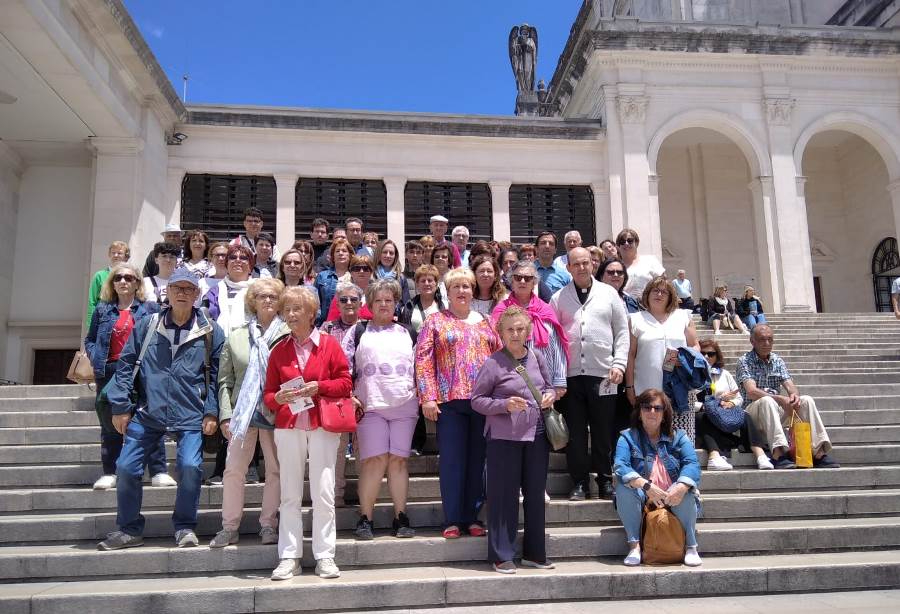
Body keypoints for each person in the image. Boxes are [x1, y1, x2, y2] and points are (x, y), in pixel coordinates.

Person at [98, 268, 224, 551]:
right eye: (177, 288)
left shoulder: (211, 330)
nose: (182, 293)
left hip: (191, 412)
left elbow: (217, 375)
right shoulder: (147, 324)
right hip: (148, 411)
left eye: (188, 289)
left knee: (191, 467)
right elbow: (126, 366)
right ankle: (129, 529)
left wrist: (212, 411)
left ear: (197, 294)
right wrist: (120, 407)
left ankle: (184, 527)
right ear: (167, 293)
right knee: (126, 467)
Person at [264, 286, 351, 580]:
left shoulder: (329, 344)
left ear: (312, 313)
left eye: (296, 309)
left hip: (323, 426)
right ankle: (289, 556)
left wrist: (319, 387)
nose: (290, 315)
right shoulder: (279, 350)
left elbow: (345, 383)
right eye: (286, 309)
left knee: (324, 492)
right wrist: (278, 399)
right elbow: (268, 395)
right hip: (288, 427)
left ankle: (325, 555)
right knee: (289, 493)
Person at [415, 267, 501, 538]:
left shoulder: (486, 321)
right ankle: (452, 518)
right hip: (450, 401)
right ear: (447, 292)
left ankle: (472, 517)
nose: (462, 291)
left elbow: (499, 358)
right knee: (453, 460)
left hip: (483, 402)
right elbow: (423, 360)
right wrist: (427, 396)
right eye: (456, 287)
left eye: (466, 286)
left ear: (473, 290)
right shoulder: (435, 321)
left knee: (478, 461)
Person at [472, 306, 557, 574]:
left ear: (528, 331)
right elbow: (477, 401)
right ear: (501, 333)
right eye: (510, 329)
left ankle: (535, 553)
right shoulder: (493, 363)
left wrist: (550, 395)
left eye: (520, 329)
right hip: (503, 438)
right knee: (503, 497)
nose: (516, 334)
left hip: (537, 435)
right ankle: (502, 555)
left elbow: (549, 386)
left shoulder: (537, 356)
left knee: (535, 495)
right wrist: (504, 405)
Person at [210, 278, 289, 548]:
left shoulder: (288, 334)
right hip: (242, 414)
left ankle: (268, 525)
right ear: (252, 302)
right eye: (262, 296)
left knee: (275, 471)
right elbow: (224, 380)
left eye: (273, 296)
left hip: (274, 412)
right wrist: (224, 414)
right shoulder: (237, 336)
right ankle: (229, 527)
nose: (267, 300)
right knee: (233, 469)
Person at [84, 263, 172, 490]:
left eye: (129, 278)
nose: (123, 281)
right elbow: (90, 339)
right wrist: (96, 358)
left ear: (137, 283)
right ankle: (110, 472)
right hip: (111, 370)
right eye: (118, 278)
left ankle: (158, 470)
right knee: (109, 419)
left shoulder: (150, 309)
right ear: (112, 283)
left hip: (141, 370)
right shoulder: (103, 310)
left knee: (151, 417)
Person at [343, 279, 418, 540]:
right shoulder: (358, 330)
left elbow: (421, 365)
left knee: (398, 461)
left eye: (389, 300)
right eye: (379, 300)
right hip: (369, 405)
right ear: (370, 305)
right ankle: (366, 518)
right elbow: (344, 365)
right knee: (373, 461)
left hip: (405, 403)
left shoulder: (408, 332)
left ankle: (401, 517)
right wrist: (348, 395)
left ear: (395, 303)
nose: (384, 304)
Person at [551, 247, 629, 500]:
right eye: (577, 264)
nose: (582, 267)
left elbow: (622, 332)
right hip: (571, 377)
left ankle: (605, 479)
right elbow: (552, 338)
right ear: (569, 267)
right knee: (574, 433)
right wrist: (556, 376)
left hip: (604, 375)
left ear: (592, 265)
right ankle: (580, 482)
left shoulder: (609, 294)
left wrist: (618, 364)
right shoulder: (558, 298)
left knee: (603, 431)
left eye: (586, 263)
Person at [613, 389, 702, 567]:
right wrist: (646, 486)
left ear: (664, 413)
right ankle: (634, 546)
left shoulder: (679, 437)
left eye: (657, 408)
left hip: (671, 495)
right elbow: (620, 466)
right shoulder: (627, 437)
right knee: (623, 487)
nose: (652, 412)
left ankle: (691, 546)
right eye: (646, 407)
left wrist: (682, 486)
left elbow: (692, 463)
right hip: (643, 496)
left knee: (685, 488)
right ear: (639, 413)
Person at [737, 325, 840, 470]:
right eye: (762, 340)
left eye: (770, 340)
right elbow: (751, 391)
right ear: (752, 341)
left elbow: (790, 385)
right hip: (752, 414)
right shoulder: (744, 361)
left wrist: (793, 396)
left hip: (773, 411)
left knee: (806, 400)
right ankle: (778, 453)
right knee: (767, 400)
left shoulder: (777, 360)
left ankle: (818, 452)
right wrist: (779, 398)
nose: (767, 344)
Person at [626, 276, 700, 439]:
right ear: (647, 293)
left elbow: (695, 346)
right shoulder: (635, 319)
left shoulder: (683, 316)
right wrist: (630, 387)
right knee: (649, 436)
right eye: (655, 290)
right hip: (647, 388)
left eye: (664, 292)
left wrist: (683, 360)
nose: (659, 294)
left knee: (680, 437)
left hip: (679, 388)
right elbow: (630, 355)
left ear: (671, 296)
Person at [491, 260, 568, 398]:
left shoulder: (545, 309)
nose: (522, 281)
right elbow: (495, 345)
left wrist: (560, 381)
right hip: (509, 380)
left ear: (534, 282)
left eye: (528, 278)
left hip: (545, 383)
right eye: (517, 277)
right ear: (511, 281)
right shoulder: (501, 310)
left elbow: (557, 347)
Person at [696, 339, 773, 471]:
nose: (707, 357)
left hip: (724, 411)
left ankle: (760, 455)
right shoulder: (691, 374)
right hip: (703, 413)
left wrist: (731, 402)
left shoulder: (724, 374)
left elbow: (738, 397)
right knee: (703, 416)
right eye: (703, 353)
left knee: (745, 416)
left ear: (717, 356)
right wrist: (705, 405)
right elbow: (686, 400)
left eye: (711, 354)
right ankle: (714, 456)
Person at [319, 281, 364, 506]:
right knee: (336, 449)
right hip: (336, 394)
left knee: (362, 447)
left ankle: (366, 496)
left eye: (353, 299)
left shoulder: (367, 327)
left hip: (363, 393)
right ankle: (335, 496)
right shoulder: (326, 329)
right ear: (336, 302)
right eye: (344, 299)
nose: (348, 303)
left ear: (360, 303)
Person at [204, 244, 254, 337]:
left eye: (243, 258)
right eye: (233, 257)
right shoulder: (214, 292)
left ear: (250, 265)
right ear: (227, 264)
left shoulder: (259, 289)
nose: (237, 260)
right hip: (220, 342)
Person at [85, 240, 130, 329]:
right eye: (113, 253)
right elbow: (92, 301)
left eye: (119, 253)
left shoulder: (131, 277)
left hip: (124, 322)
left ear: (126, 257)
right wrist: (91, 325)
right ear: (109, 255)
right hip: (103, 322)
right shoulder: (100, 276)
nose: (115, 255)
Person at [617, 228, 664, 302]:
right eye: (622, 242)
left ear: (637, 243)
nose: (626, 243)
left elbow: (664, 283)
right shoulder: (615, 266)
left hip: (648, 307)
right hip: (624, 307)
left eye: (630, 241)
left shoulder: (650, 260)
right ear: (618, 246)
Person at [314, 237, 352, 326]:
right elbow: (315, 304)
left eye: (344, 251)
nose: (341, 253)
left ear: (350, 255)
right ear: (332, 256)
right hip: (327, 325)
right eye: (337, 251)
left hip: (351, 325)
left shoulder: (356, 275)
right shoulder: (322, 276)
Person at [324, 254, 374, 322]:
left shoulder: (377, 296)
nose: (361, 271)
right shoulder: (341, 295)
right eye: (357, 269)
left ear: (371, 272)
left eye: (366, 269)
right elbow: (331, 322)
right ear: (351, 272)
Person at [398, 264, 445, 332]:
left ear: (436, 283)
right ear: (417, 284)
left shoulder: (444, 306)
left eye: (430, 280)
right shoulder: (409, 307)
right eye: (423, 281)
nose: (426, 284)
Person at [374, 239, 412, 306]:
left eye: (391, 253)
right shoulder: (371, 275)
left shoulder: (401, 278)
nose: (388, 255)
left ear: (395, 256)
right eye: (385, 252)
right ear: (379, 254)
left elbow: (406, 304)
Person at [534, 231, 572, 296]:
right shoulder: (527, 272)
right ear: (536, 249)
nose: (547, 246)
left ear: (555, 250)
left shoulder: (565, 275)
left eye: (551, 244)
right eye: (543, 243)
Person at [470, 254, 508, 318]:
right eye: (481, 271)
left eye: (489, 271)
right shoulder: (468, 298)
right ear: (474, 274)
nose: (485, 274)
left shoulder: (505, 299)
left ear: (495, 275)